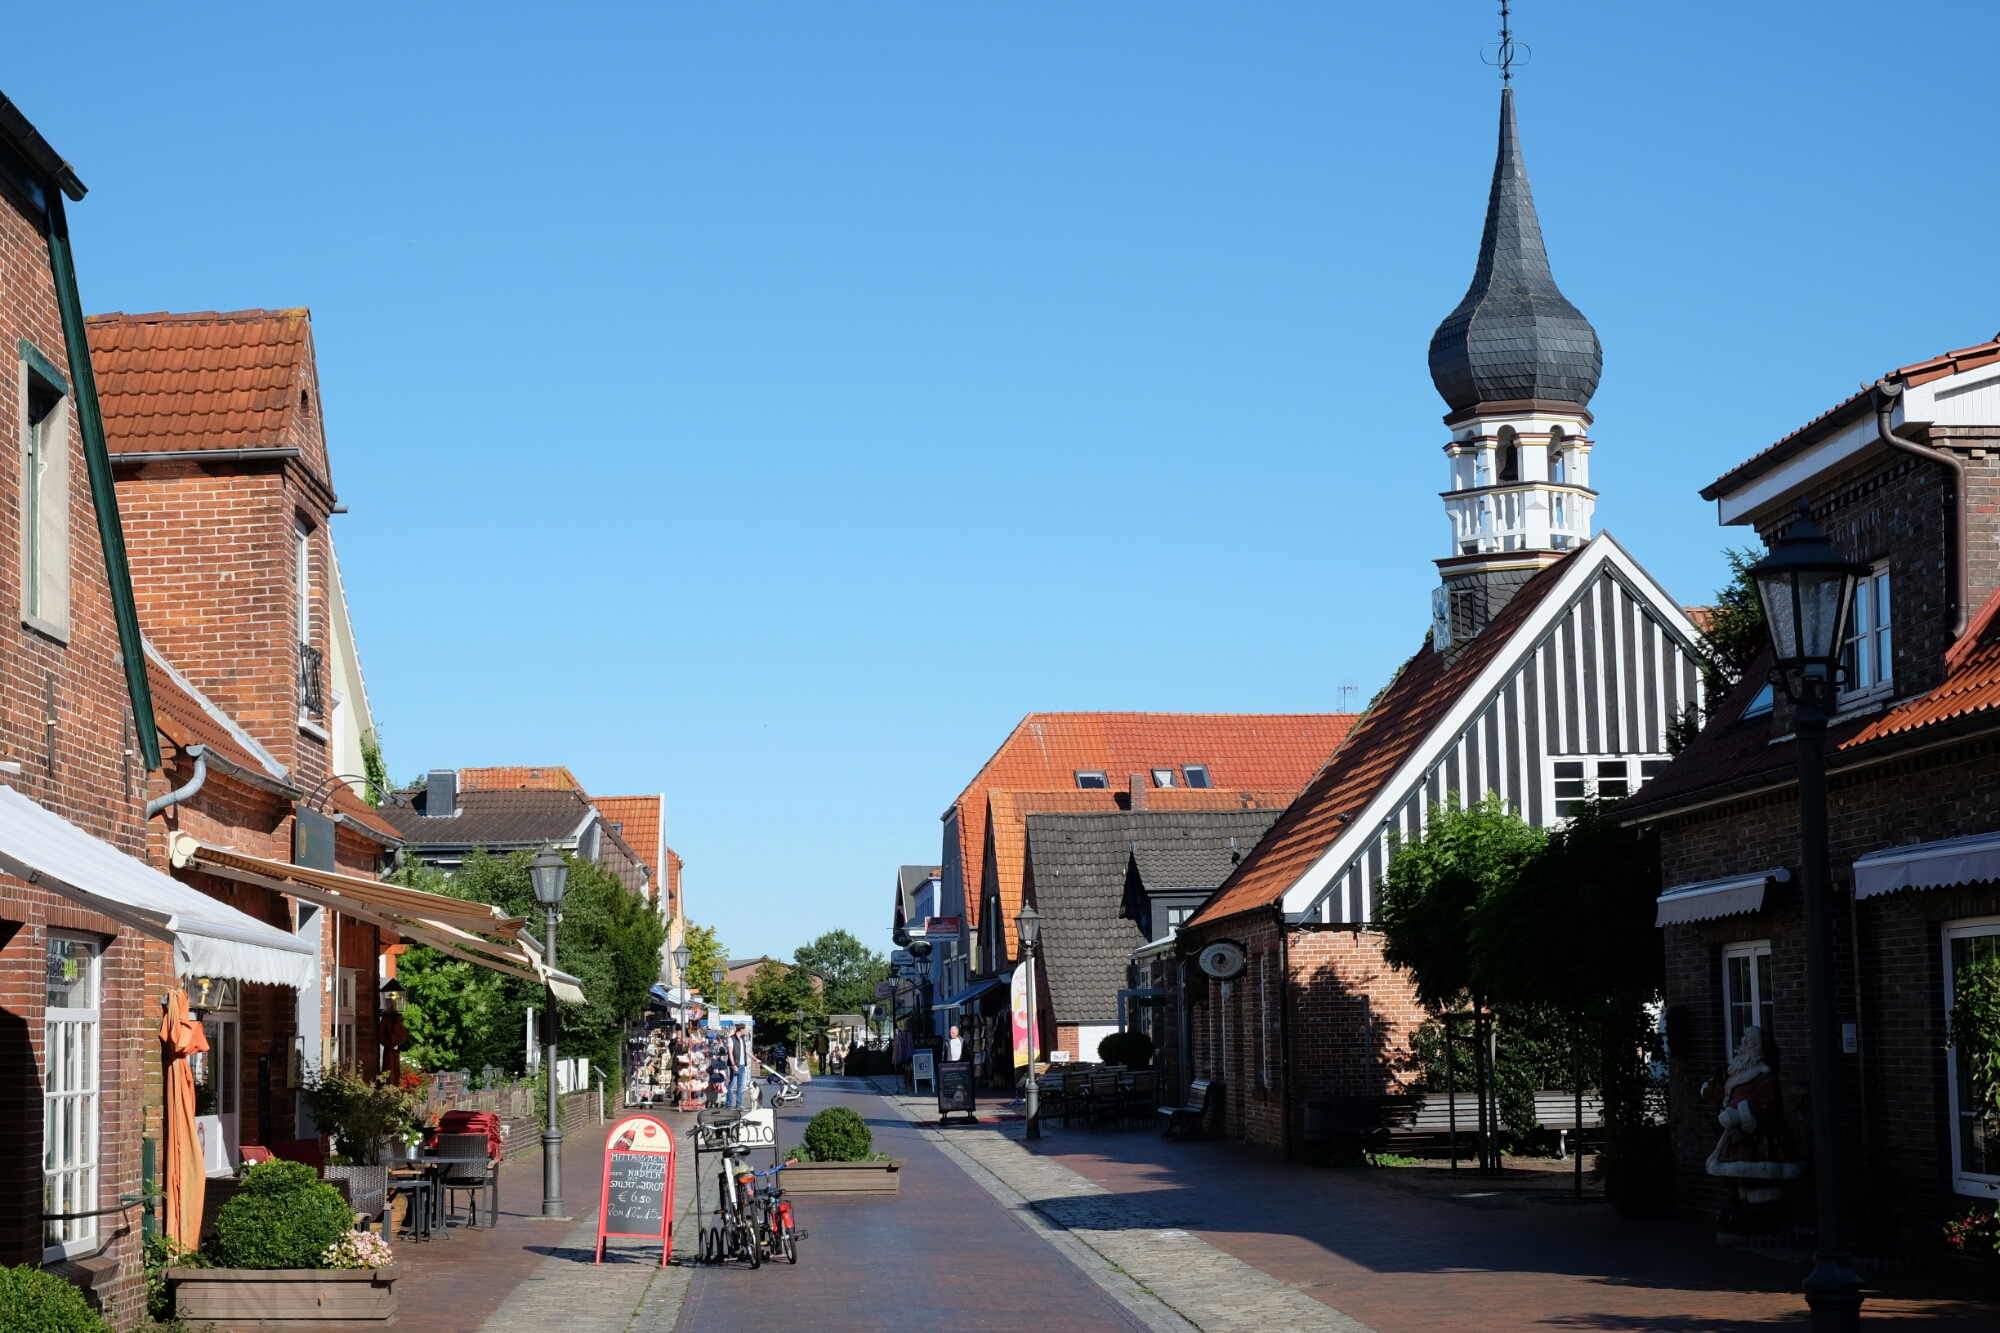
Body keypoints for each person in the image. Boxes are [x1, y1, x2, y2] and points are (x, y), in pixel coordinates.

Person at [725, 1022, 751, 1108]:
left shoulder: (742, 1039)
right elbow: (730, 1053)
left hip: (742, 1065)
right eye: (745, 1029)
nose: (746, 1031)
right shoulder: (731, 1039)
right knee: (732, 1085)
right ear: (742, 1029)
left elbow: (746, 1050)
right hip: (735, 1065)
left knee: (741, 1086)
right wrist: (733, 1064)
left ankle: (739, 1104)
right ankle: (729, 1104)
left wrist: (755, 1058)